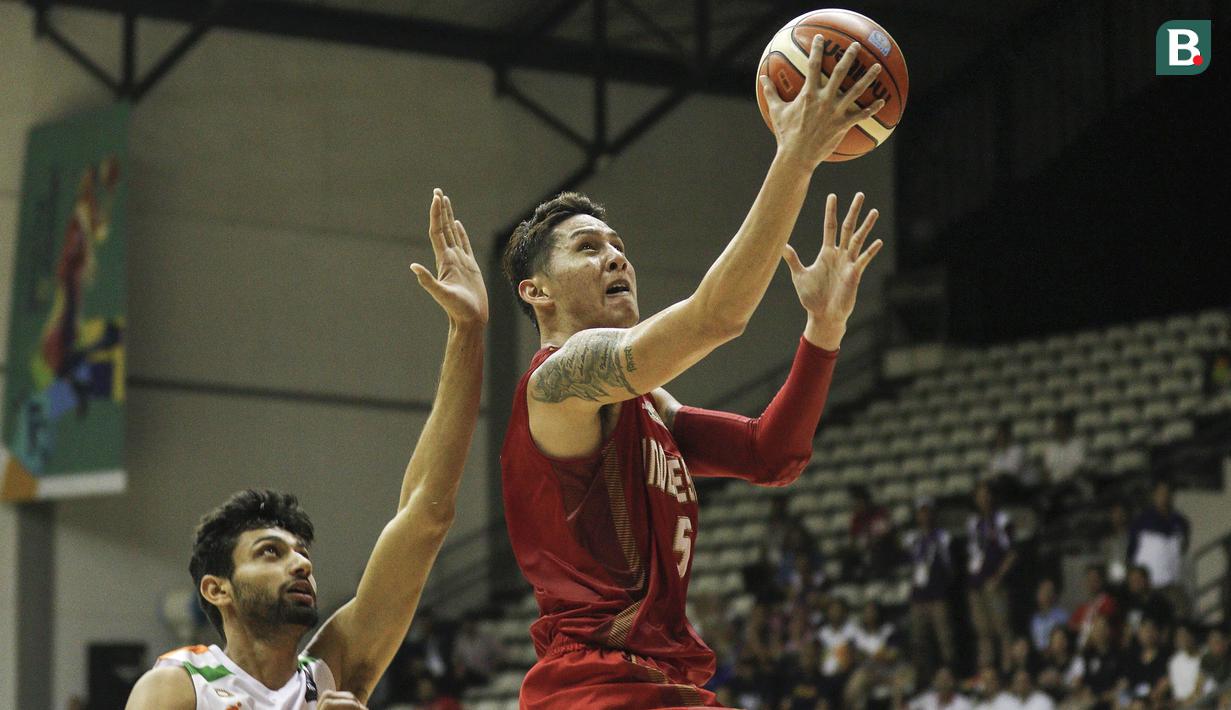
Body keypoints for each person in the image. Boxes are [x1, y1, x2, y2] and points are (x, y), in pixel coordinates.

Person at [497, 38, 887, 710]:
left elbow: (772, 456)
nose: (616, 259)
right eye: (587, 249)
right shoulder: (557, 383)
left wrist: (823, 331)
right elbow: (715, 318)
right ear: (536, 291)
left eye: (619, 247)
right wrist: (795, 156)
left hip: (654, 687)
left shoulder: (646, 404)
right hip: (595, 690)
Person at [124, 189, 488, 709]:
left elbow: (425, 513)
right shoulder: (179, 684)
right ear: (217, 589)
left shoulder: (330, 673)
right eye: (270, 552)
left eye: (302, 554)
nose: (300, 565)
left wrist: (467, 332)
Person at [968, 481, 1017, 671]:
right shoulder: (973, 523)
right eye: (979, 495)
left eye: (986, 494)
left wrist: (998, 577)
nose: (983, 499)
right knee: (982, 631)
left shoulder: (1001, 520)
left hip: (994, 583)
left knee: (1002, 628)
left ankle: (1008, 668)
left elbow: (1012, 552)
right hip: (976, 584)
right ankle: (986, 672)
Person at [904, 497, 956, 678]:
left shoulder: (942, 536)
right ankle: (924, 677)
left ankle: (950, 673)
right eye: (921, 512)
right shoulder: (912, 539)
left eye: (927, 511)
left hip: (937, 595)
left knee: (945, 639)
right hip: (919, 596)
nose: (924, 516)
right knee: (919, 641)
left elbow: (950, 565)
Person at [1127, 479, 1191, 617]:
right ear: (1154, 495)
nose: (1164, 497)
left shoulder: (1180, 521)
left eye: (1167, 493)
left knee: (1182, 615)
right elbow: (1131, 551)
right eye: (1161, 493)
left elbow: (1183, 548)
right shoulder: (1141, 520)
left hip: (1172, 584)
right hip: (1149, 585)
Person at [1068, 565, 1117, 650]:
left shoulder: (1108, 602)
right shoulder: (1084, 606)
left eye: (1095, 580)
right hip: (1079, 646)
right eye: (1089, 579)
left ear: (1101, 581)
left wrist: (1083, 627)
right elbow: (1071, 625)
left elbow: (1101, 626)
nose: (1092, 583)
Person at [1031, 579, 1070, 653]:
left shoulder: (1062, 616)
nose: (1046, 593)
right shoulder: (1034, 619)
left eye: (1049, 590)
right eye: (1043, 590)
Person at [909, 668, 974, 710]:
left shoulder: (963, 704)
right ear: (934, 682)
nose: (943, 683)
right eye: (940, 679)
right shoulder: (926, 700)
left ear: (952, 682)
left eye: (946, 680)